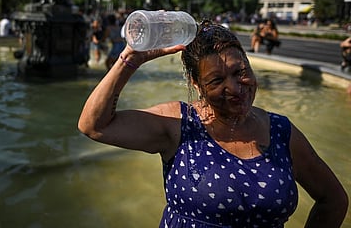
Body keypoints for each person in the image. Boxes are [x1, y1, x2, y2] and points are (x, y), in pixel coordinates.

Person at [77, 22, 348, 227]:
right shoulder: (179, 124)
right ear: (197, 85)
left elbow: (333, 200)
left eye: (240, 72)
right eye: (216, 81)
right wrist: (131, 59)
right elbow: (94, 125)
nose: (234, 88)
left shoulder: (281, 131)